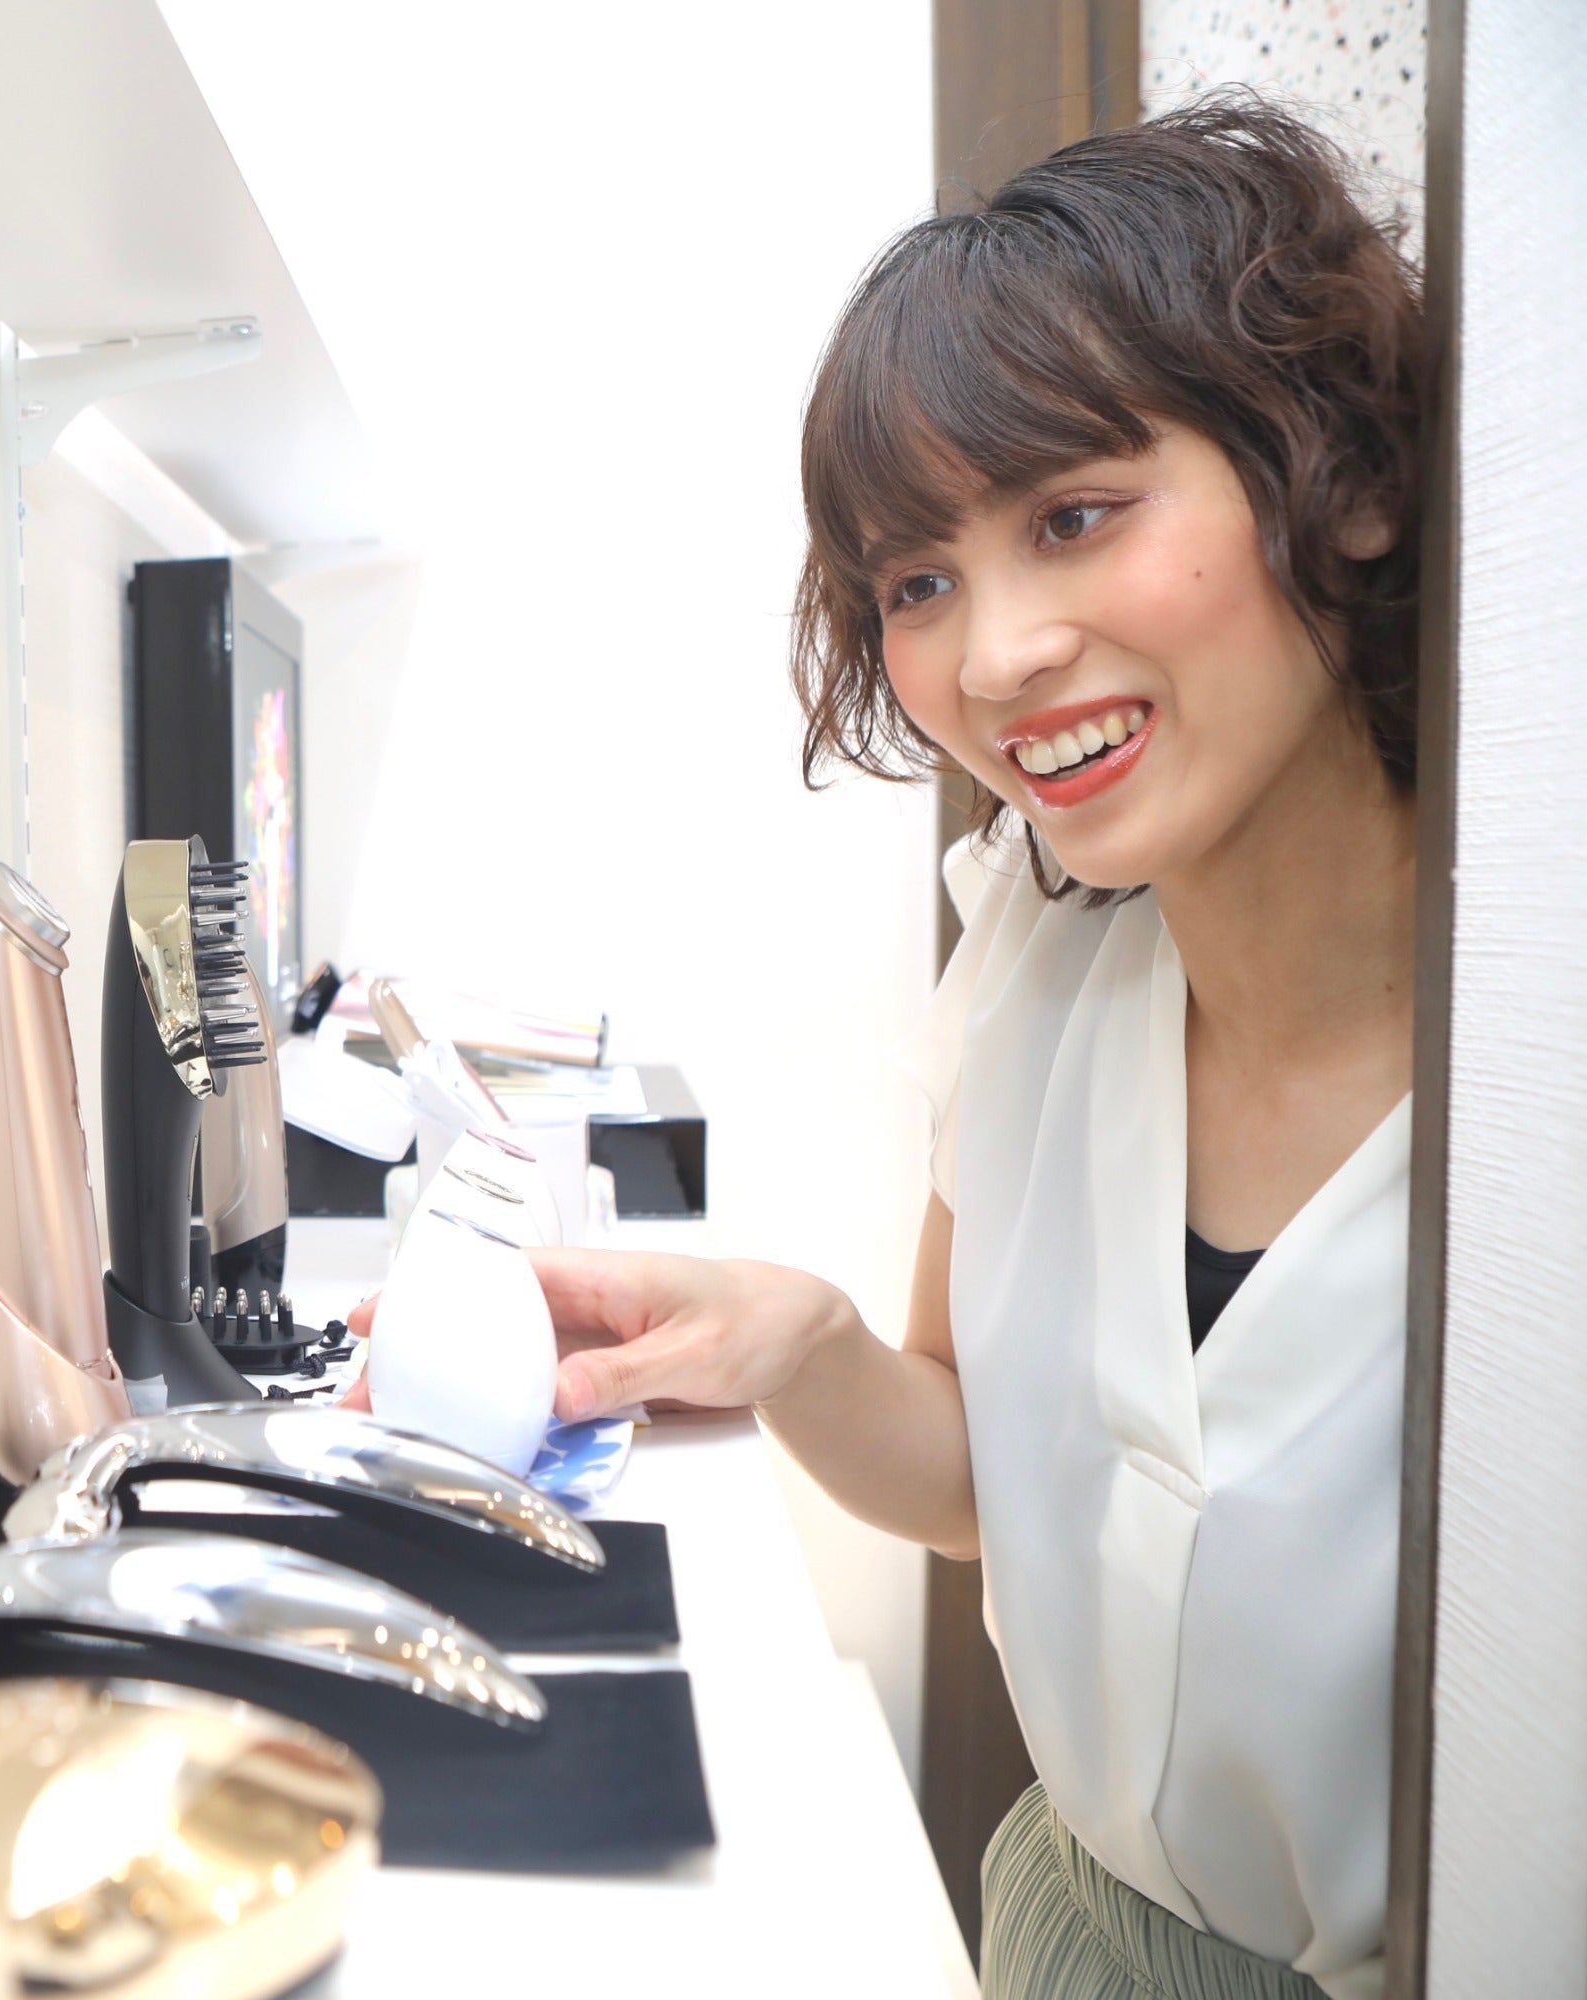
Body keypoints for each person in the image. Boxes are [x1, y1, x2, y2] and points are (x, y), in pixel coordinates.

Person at [350, 96, 1423, 2000]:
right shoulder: (1035, 963)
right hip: (1064, 1935)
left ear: (1337, 481)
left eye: (1075, 517)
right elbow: (983, 1487)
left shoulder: (1518, 1093)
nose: (993, 658)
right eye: (917, 581)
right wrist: (804, 1344)